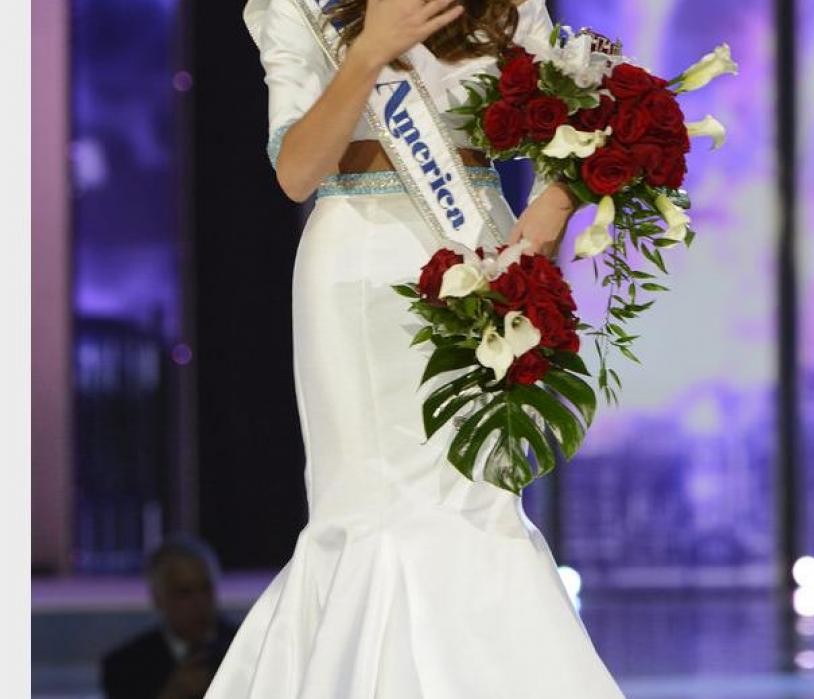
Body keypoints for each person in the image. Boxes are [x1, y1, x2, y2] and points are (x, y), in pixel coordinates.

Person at [204, 0, 625, 696]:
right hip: (356, 269)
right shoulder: (299, 7)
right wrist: (370, 51)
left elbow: (577, 107)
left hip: (479, 251)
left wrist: (550, 211)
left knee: (478, 502)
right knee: (368, 510)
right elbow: (297, 171)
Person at [100, 535, 238, 699]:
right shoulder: (125, 667)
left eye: (205, 588)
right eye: (184, 593)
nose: (199, 602)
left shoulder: (249, 647)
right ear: (159, 599)